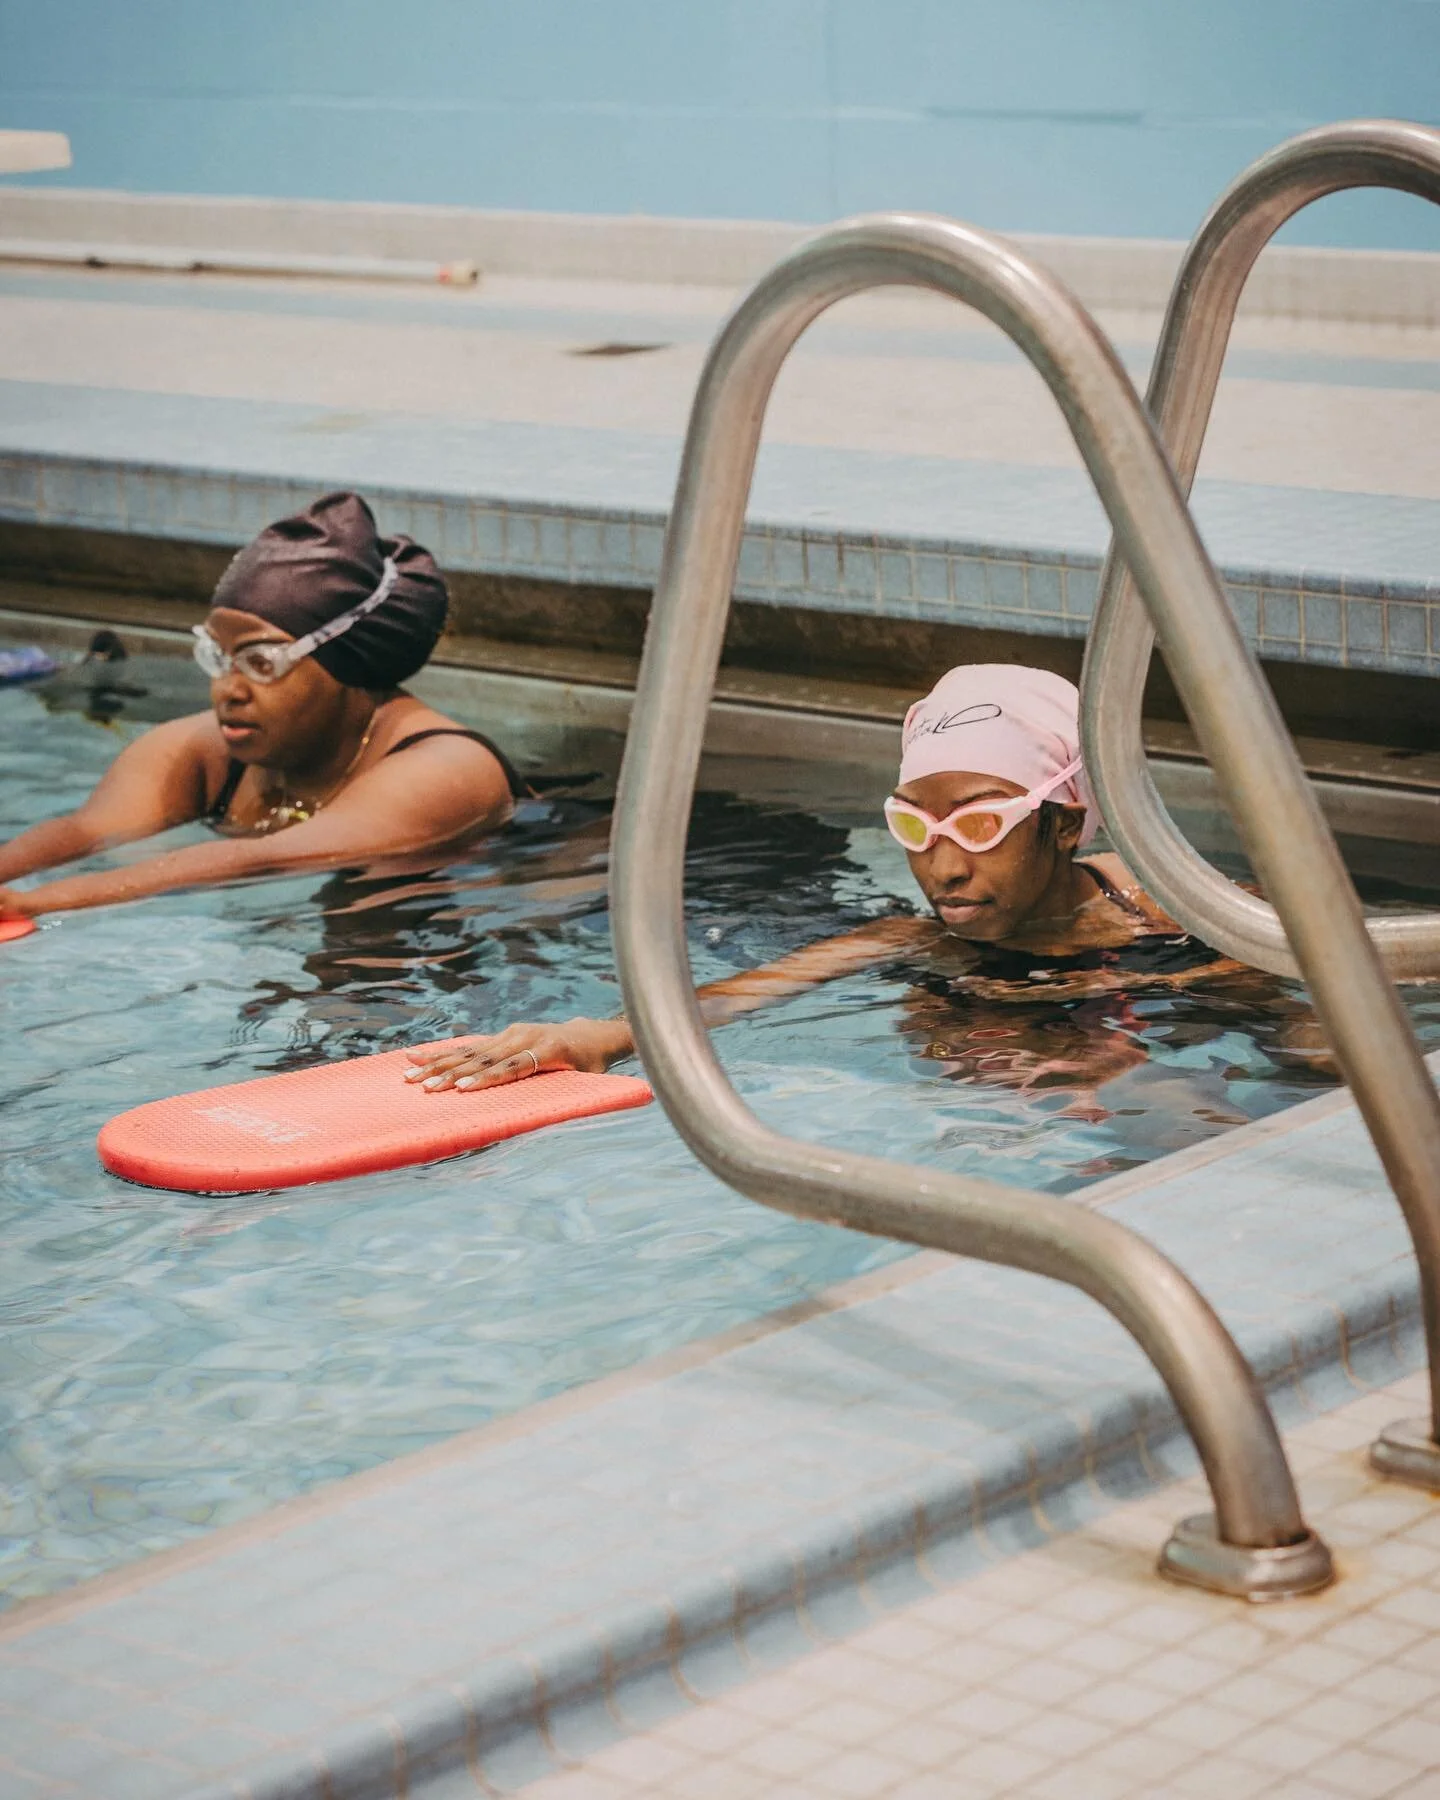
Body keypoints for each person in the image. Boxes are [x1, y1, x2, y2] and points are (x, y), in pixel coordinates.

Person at [404, 664, 1312, 1117]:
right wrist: (588, 1035)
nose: (944, 868)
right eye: (916, 825)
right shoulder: (917, 944)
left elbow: (1318, 1025)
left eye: (983, 824)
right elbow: (731, 1001)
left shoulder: (1181, 912)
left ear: (1066, 822)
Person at [0, 492, 522, 920]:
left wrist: (32, 903)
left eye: (262, 662)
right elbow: (89, 829)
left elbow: (264, 858)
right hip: (291, 928)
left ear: (350, 663)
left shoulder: (444, 770)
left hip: (467, 916)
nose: (228, 688)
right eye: (219, 656)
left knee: (365, 928)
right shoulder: (205, 750)